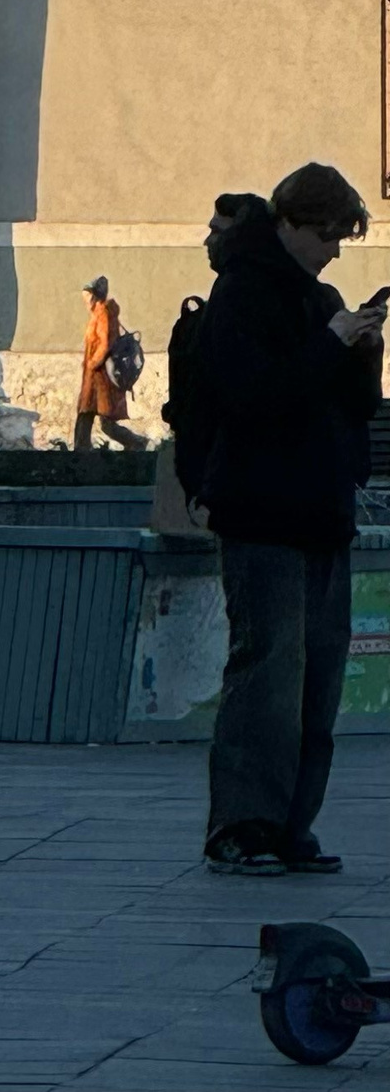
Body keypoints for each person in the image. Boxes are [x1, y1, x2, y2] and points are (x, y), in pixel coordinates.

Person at [198, 160, 384, 876]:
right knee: (268, 674)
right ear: (290, 223)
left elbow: (350, 405)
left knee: (319, 679)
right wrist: (330, 341)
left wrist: (364, 349)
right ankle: (243, 825)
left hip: (321, 510)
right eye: (327, 235)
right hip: (263, 511)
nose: (333, 250)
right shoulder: (242, 292)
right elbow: (256, 395)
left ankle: (291, 823)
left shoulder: (321, 298)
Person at [159, 192, 260, 530]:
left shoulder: (239, 295)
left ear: (240, 235)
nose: (207, 240)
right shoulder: (229, 291)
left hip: (240, 489)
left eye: (217, 231)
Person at [76, 274, 149, 456]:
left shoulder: (103, 313)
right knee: (87, 414)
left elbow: (105, 342)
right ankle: (81, 449)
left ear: (94, 296)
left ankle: (136, 442)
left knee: (103, 419)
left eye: (87, 296)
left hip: (100, 377)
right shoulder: (98, 313)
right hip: (94, 376)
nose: (85, 301)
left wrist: (93, 363)